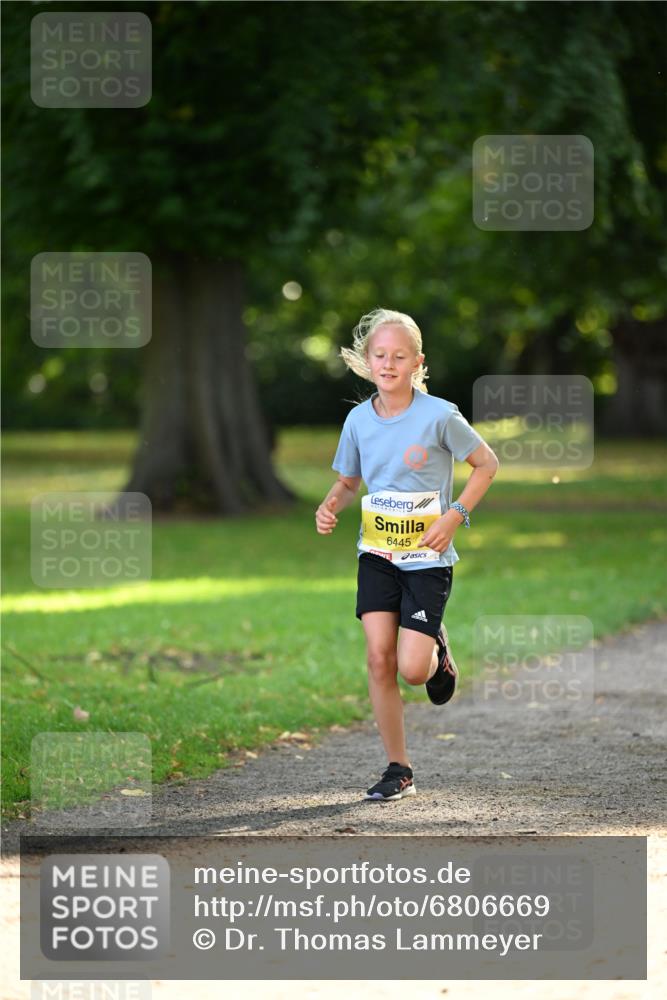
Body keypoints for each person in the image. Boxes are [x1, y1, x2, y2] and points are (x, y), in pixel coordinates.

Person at [315, 307, 499, 802]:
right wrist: (331, 504)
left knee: (412, 669)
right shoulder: (358, 419)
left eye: (399, 356)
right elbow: (348, 480)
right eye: (380, 355)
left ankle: (436, 653)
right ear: (366, 360)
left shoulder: (439, 415)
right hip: (376, 555)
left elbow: (487, 463)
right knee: (379, 659)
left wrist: (454, 514)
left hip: (426, 560)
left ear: (418, 362)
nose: (389, 363)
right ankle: (399, 768)